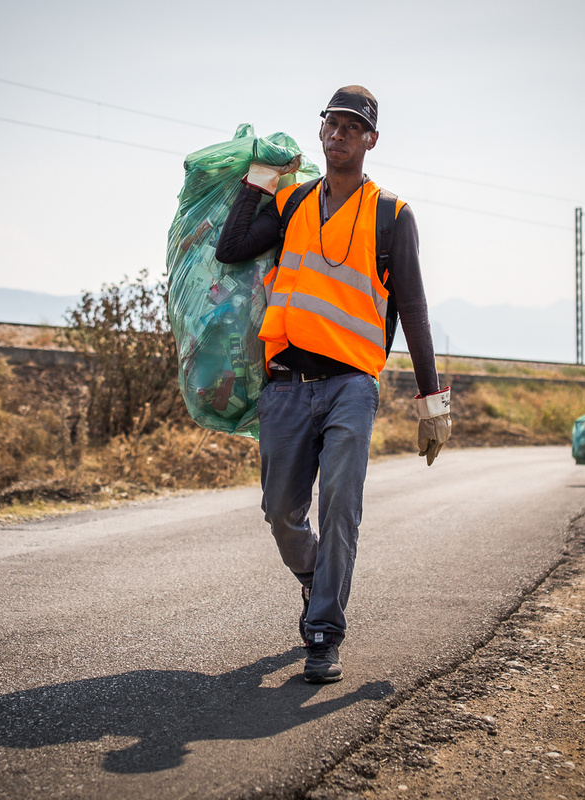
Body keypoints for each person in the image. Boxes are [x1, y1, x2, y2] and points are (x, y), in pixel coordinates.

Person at [215, 86, 451, 683]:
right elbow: (230, 248)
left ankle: (323, 631)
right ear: (321, 130)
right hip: (285, 385)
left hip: (351, 384)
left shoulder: (391, 215)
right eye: (332, 123)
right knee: (280, 512)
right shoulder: (293, 202)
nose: (339, 134)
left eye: (352, 126)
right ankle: (315, 581)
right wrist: (259, 180)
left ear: (371, 139)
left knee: (341, 505)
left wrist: (433, 404)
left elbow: (414, 309)